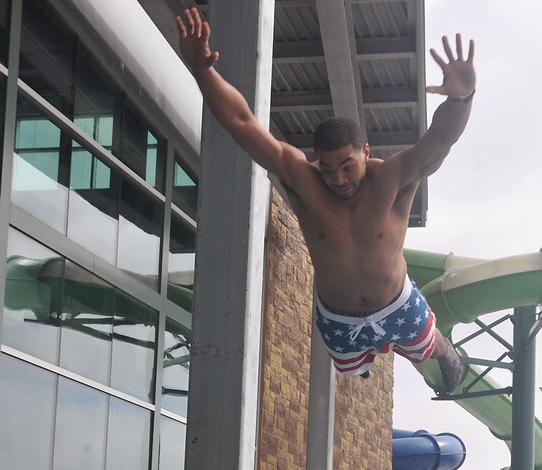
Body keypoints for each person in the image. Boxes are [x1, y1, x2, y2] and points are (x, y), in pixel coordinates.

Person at [175, 9, 473, 392]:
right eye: (328, 168)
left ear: (365, 151)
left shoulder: (394, 179)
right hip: (339, 320)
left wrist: (462, 98)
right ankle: (363, 361)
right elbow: (242, 123)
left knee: (426, 345)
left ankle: (443, 349)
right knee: (351, 371)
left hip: (398, 305)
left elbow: (439, 141)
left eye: (348, 166)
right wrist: (203, 71)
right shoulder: (304, 181)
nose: (338, 179)